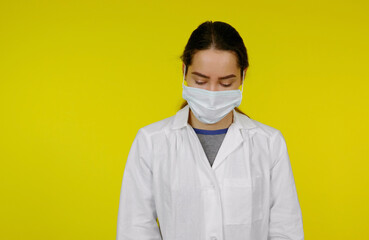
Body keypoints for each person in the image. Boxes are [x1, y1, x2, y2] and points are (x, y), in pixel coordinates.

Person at [116, 20, 304, 240]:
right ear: (184, 72)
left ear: (242, 77)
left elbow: (286, 230)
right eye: (201, 81)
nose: (212, 92)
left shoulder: (269, 143)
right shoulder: (151, 142)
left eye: (225, 84)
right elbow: (135, 229)